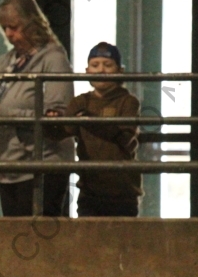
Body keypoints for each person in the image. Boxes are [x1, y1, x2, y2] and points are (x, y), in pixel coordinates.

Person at [0, 0, 75, 216]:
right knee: (13, 230)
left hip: (42, 164)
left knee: (35, 231)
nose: (9, 34)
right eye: (4, 28)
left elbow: (56, 115)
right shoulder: (5, 61)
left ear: (32, 23)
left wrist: (3, 113)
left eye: (14, 27)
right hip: (7, 163)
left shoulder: (53, 59)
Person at [45, 42, 143, 217]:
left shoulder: (128, 102)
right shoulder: (80, 102)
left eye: (108, 65)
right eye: (95, 65)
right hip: (89, 190)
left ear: (119, 71)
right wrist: (51, 122)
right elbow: (61, 132)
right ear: (87, 71)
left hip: (123, 191)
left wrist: (89, 121)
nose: (101, 70)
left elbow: (125, 138)